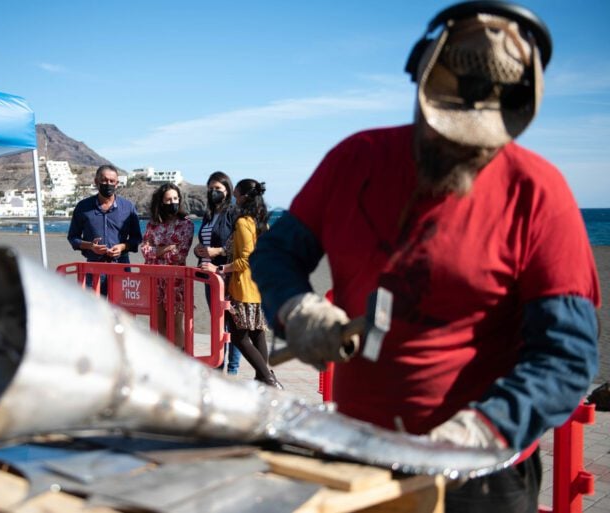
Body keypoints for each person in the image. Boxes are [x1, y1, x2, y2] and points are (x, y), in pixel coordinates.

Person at [250, 2, 599, 512]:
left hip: (481, 476)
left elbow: (566, 357)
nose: (462, 148)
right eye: (448, 128)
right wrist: (297, 310)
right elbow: (278, 251)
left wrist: (483, 428)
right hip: (359, 453)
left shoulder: (539, 194)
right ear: (420, 82)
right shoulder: (355, 162)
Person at [202, 179, 281, 389]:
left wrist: (219, 269)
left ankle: (269, 380)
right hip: (259, 285)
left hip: (244, 287)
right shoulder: (261, 220)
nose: (234, 201)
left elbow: (247, 258)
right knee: (257, 334)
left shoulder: (244, 221)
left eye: (236, 196)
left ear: (244, 197)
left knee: (239, 337)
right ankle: (263, 381)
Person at [67, 164, 142, 295]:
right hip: (93, 266)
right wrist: (90, 246)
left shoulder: (128, 207)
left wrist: (122, 246)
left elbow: (137, 238)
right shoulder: (83, 207)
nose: (108, 184)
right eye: (104, 180)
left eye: (112, 181)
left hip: (121, 265)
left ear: (117, 183)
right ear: (96, 182)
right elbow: (73, 237)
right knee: (94, 310)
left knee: (120, 310)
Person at [194, 171, 242, 374]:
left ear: (227, 191)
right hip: (209, 276)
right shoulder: (207, 214)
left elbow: (240, 245)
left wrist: (219, 251)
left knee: (233, 323)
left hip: (227, 274)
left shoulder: (233, 213)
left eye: (218, 189)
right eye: (211, 189)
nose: (214, 192)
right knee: (218, 321)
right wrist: (199, 249)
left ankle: (232, 369)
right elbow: (206, 240)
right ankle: (218, 363)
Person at [140, 182, 194, 349]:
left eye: (175, 198)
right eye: (168, 199)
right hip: (155, 279)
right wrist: (163, 250)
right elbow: (144, 249)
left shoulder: (186, 224)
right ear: (161, 202)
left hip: (176, 281)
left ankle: (181, 359)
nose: (172, 202)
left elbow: (179, 254)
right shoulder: (153, 224)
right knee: (159, 323)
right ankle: (165, 359)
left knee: (176, 324)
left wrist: (156, 251)